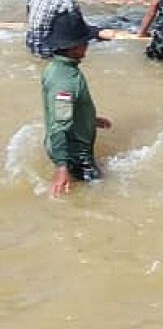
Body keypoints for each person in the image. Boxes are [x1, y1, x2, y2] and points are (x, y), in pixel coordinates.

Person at [41, 11, 113, 197]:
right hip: (75, 155)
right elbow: (59, 126)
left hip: (69, 148)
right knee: (97, 196)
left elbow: (64, 110)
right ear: (74, 47)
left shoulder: (55, 68)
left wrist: (90, 118)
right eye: (85, 41)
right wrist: (62, 168)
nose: (88, 45)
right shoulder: (66, 82)